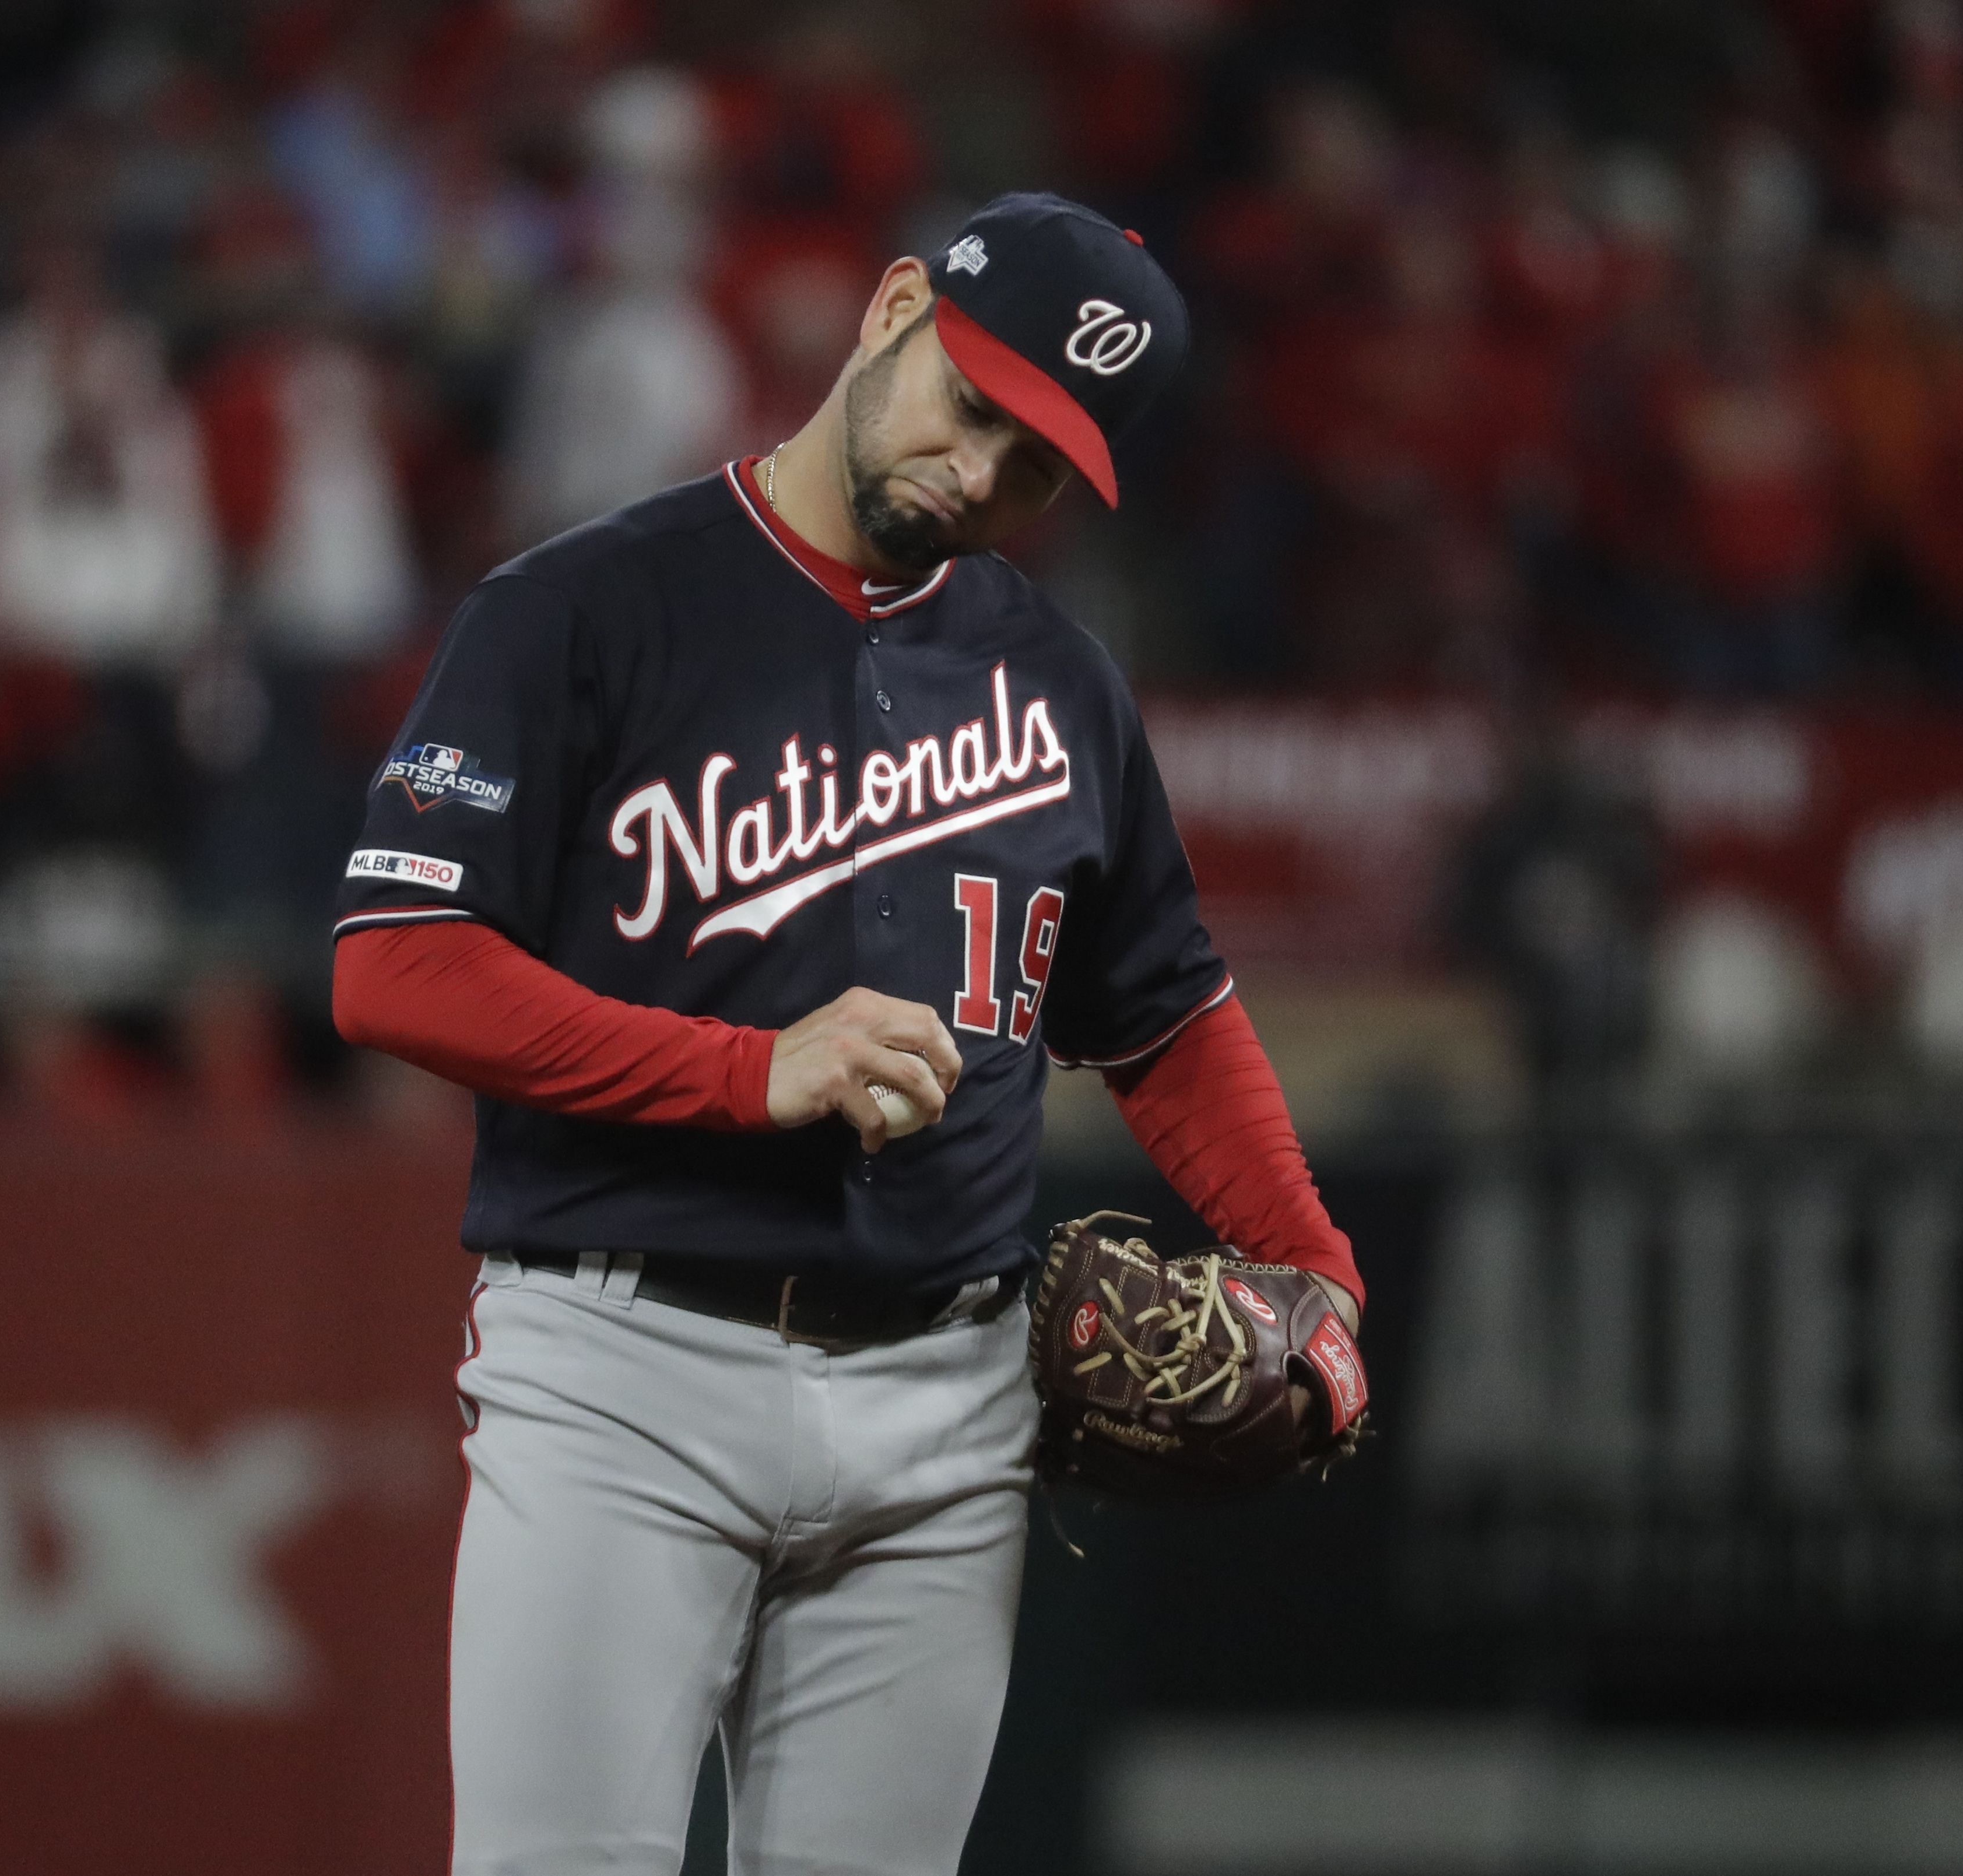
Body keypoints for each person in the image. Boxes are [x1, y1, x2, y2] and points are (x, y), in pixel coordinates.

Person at [331, 192, 1365, 1876]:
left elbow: (1168, 1014)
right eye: (975, 408)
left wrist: (1320, 1276)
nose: (980, 480)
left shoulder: (1061, 683)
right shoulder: (584, 608)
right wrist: (751, 1070)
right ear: (897, 308)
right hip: (625, 1372)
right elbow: (398, 965)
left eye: (1038, 464)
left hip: (950, 1403)